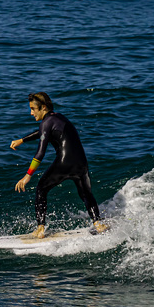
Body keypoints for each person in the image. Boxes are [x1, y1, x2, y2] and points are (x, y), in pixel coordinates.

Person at [10, 92, 107, 239]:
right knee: (86, 194)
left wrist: (27, 176)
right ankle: (98, 223)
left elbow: (40, 153)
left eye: (33, 109)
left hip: (64, 162)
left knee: (41, 189)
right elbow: (43, 132)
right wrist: (22, 140)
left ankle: (40, 229)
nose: (31, 113)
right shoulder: (58, 117)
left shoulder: (46, 123)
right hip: (81, 163)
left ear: (43, 107)